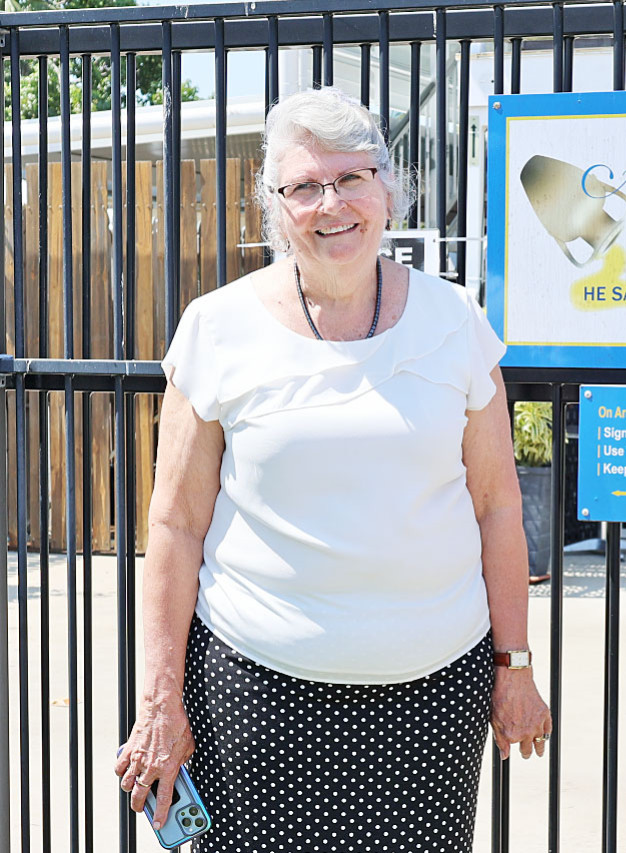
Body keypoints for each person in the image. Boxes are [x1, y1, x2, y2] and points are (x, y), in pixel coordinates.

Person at [113, 86, 551, 851]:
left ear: (387, 188)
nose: (332, 203)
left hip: (432, 703)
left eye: (352, 177)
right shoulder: (217, 328)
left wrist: (515, 663)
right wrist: (161, 697)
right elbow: (175, 526)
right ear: (274, 207)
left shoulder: (455, 322)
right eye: (304, 186)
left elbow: (497, 507)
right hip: (257, 700)